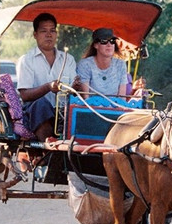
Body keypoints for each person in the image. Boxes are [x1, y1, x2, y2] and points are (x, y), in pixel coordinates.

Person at [16, 12, 77, 141]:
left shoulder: (68, 59)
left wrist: (76, 88)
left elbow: (73, 89)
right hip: (35, 112)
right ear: (35, 35)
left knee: (79, 110)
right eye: (44, 31)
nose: (49, 35)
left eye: (52, 31)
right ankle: (47, 150)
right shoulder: (27, 60)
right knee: (42, 104)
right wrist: (48, 87)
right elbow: (25, 95)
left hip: (62, 110)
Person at [75, 27, 146, 97]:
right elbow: (85, 97)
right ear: (95, 45)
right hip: (88, 107)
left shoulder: (120, 64)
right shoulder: (85, 64)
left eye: (112, 41)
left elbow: (122, 97)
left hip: (114, 107)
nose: (109, 45)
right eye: (104, 41)